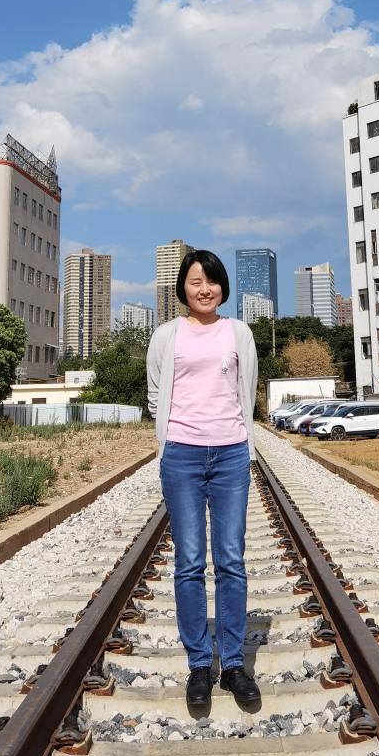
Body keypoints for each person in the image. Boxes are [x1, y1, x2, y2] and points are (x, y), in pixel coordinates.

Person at [146, 248, 260, 706]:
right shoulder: (166, 335)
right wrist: (171, 437)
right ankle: (199, 664)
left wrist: (242, 441)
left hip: (231, 453)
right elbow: (155, 393)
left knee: (231, 559)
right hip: (182, 456)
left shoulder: (239, 333)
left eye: (211, 281)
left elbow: (247, 390)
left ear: (222, 287)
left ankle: (232, 664)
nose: (204, 289)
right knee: (189, 561)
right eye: (195, 281)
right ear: (183, 288)